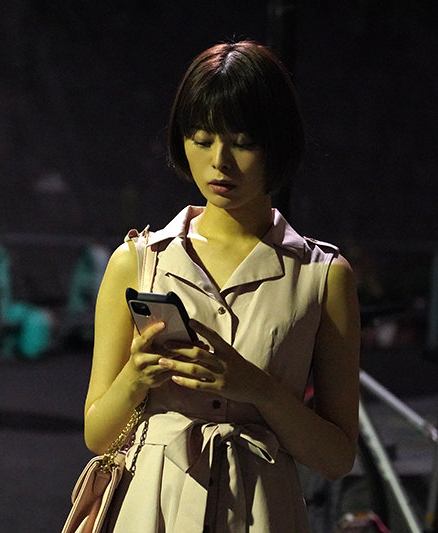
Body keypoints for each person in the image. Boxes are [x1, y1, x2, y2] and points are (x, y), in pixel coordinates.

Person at [83, 40, 360, 532]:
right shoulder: (137, 261)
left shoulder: (322, 275)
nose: (220, 161)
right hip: (151, 511)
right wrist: (135, 379)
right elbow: (96, 435)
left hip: (262, 514)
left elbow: (337, 458)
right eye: (202, 138)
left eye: (243, 141)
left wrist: (260, 391)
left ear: (277, 144)